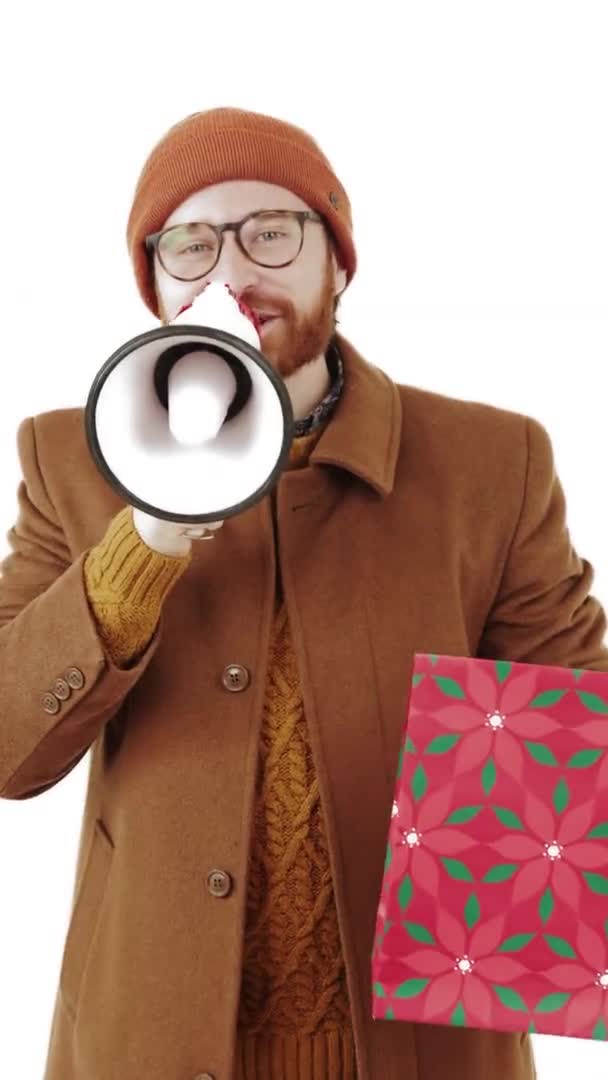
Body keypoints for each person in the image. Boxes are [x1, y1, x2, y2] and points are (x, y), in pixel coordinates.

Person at [1, 106, 606, 1080]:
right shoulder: (70, 460)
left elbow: (571, 761)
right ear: (154, 282)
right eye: (191, 245)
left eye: (269, 233)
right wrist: (140, 544)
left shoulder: (493, 463)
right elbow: (7, 752)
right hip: (151, 1044)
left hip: (418, 1051)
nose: (232, 275)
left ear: (337, 260)